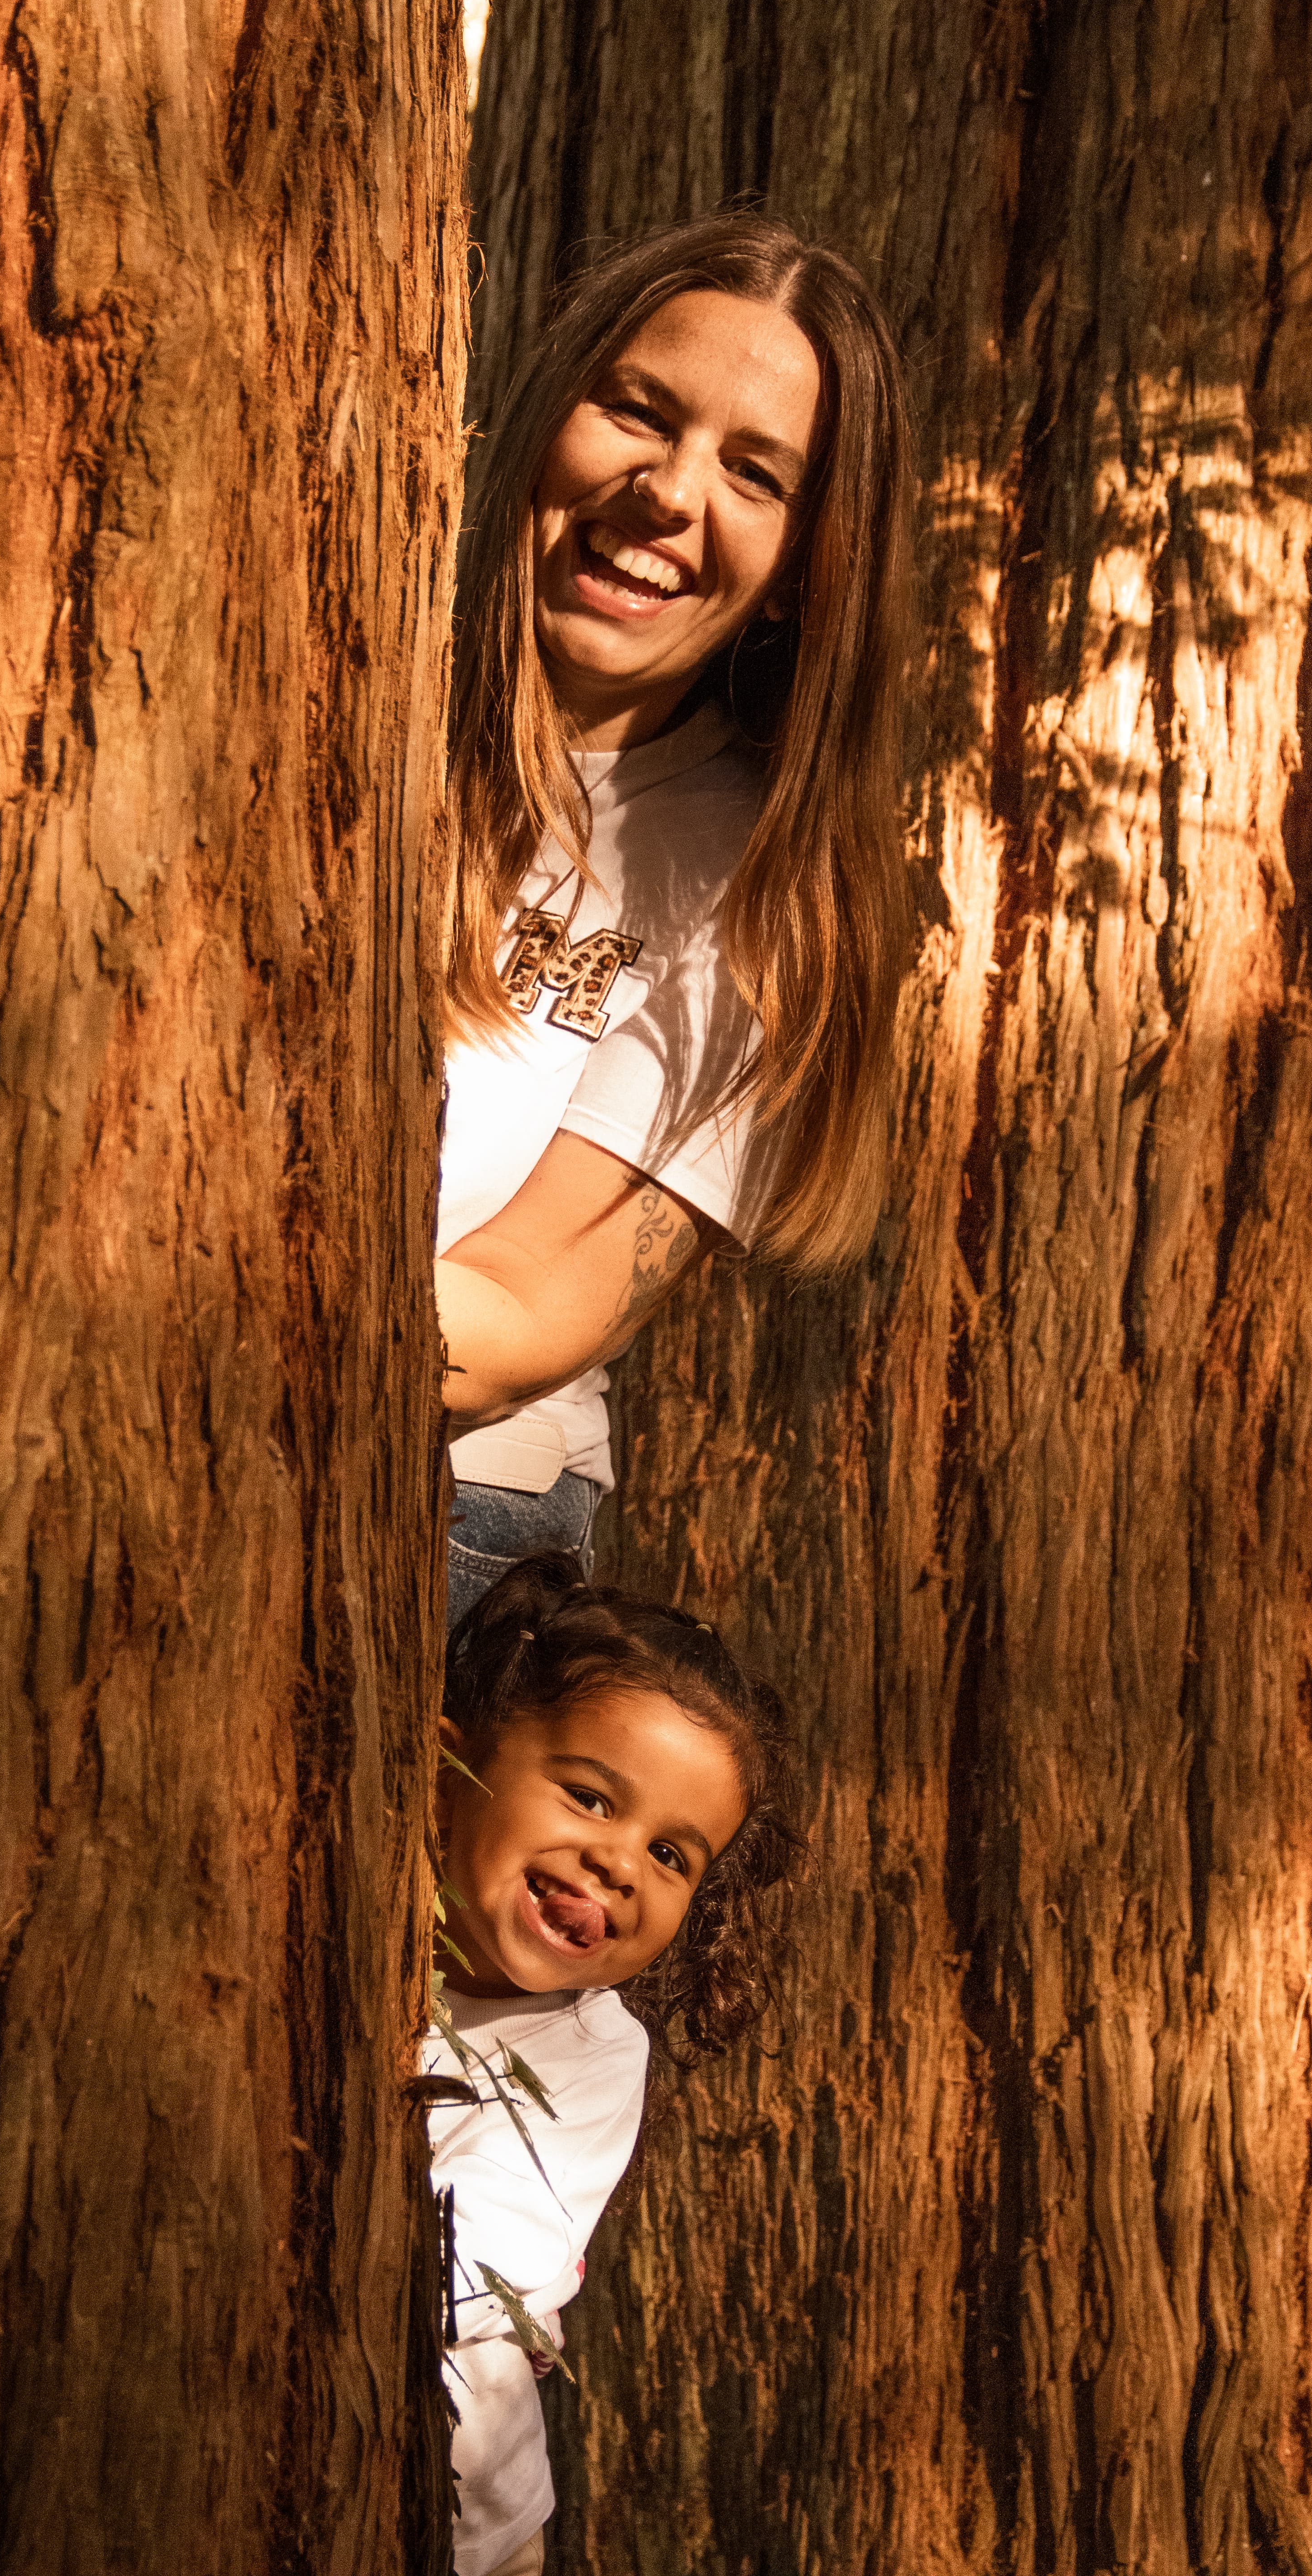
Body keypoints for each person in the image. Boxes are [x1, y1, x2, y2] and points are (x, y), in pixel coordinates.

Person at [437, 213, 916, 1625]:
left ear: (806, 569)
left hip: (449, 1486)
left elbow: (524, 1318)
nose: (669, 493)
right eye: (636, 412)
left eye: (753, 473)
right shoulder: (327, 680)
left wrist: (183, 1300)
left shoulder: (762, 894)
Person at [423, 1551, 803, 2576]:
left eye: (674, 1855)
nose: (622, 1862)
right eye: (591, 1798)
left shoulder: (594, 2052)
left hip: (472, 2535)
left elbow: (457, 2259)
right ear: (446, 1773)